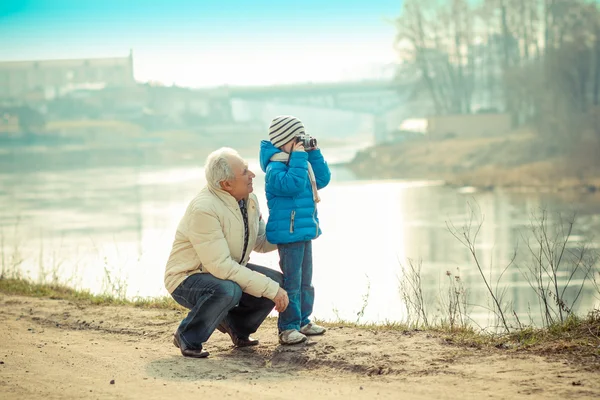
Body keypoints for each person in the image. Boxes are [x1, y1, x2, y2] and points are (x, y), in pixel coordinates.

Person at [164, 147, 289, 358]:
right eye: (245, 173)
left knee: (275, 280)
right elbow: (221, 267)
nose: (252, 175)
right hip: (187, 277)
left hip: (222, 270)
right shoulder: (204, 209)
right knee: (228, 290)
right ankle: (187, 335)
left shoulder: (249, 200)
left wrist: (290, 234)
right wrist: (271, 290)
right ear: (226, 184)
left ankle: (237, 328)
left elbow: (259, 241)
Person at [259, 115, 331, 345]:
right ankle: (287, 328)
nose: (302, 142)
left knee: (305, 282)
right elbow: (293, 184)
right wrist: (300, 157)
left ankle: (302, 321)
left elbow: (322, 179)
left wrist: (313, 154)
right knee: (292, 281)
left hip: (303, 230)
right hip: (288, 234)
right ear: (284, 141)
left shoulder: (298, 162)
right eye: (298, 139)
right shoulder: (274, 167)